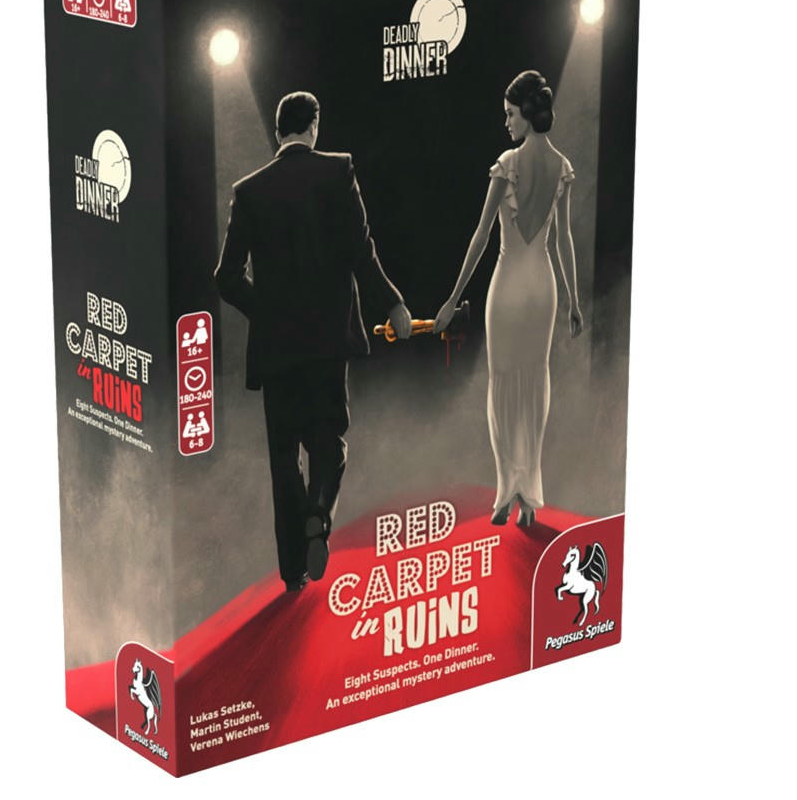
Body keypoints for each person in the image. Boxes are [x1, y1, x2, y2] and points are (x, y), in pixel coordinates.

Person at [215, 91, 412, 591]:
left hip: (277, 348)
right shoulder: (338, 171)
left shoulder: (248, 191)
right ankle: (320, 513)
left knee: (284, 456)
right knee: (328, 439)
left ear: (278, 131)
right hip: (327, 339)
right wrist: (393, 304)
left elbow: (226, 277)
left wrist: (269, 313)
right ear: (314, 126)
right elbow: (362, 251)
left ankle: (292, 573)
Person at [434, 70, 582, 527]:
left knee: (502, 385)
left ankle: (507, 492)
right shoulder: (562, 165)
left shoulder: (507, 163)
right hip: (542, 289)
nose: (506, 123)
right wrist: (574, 301)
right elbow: (563, 240)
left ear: (527, 113)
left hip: (509, 288)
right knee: (535, 385)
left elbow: (481, 237)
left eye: (510, 114)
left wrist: (452, 299)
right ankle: (528, 498)